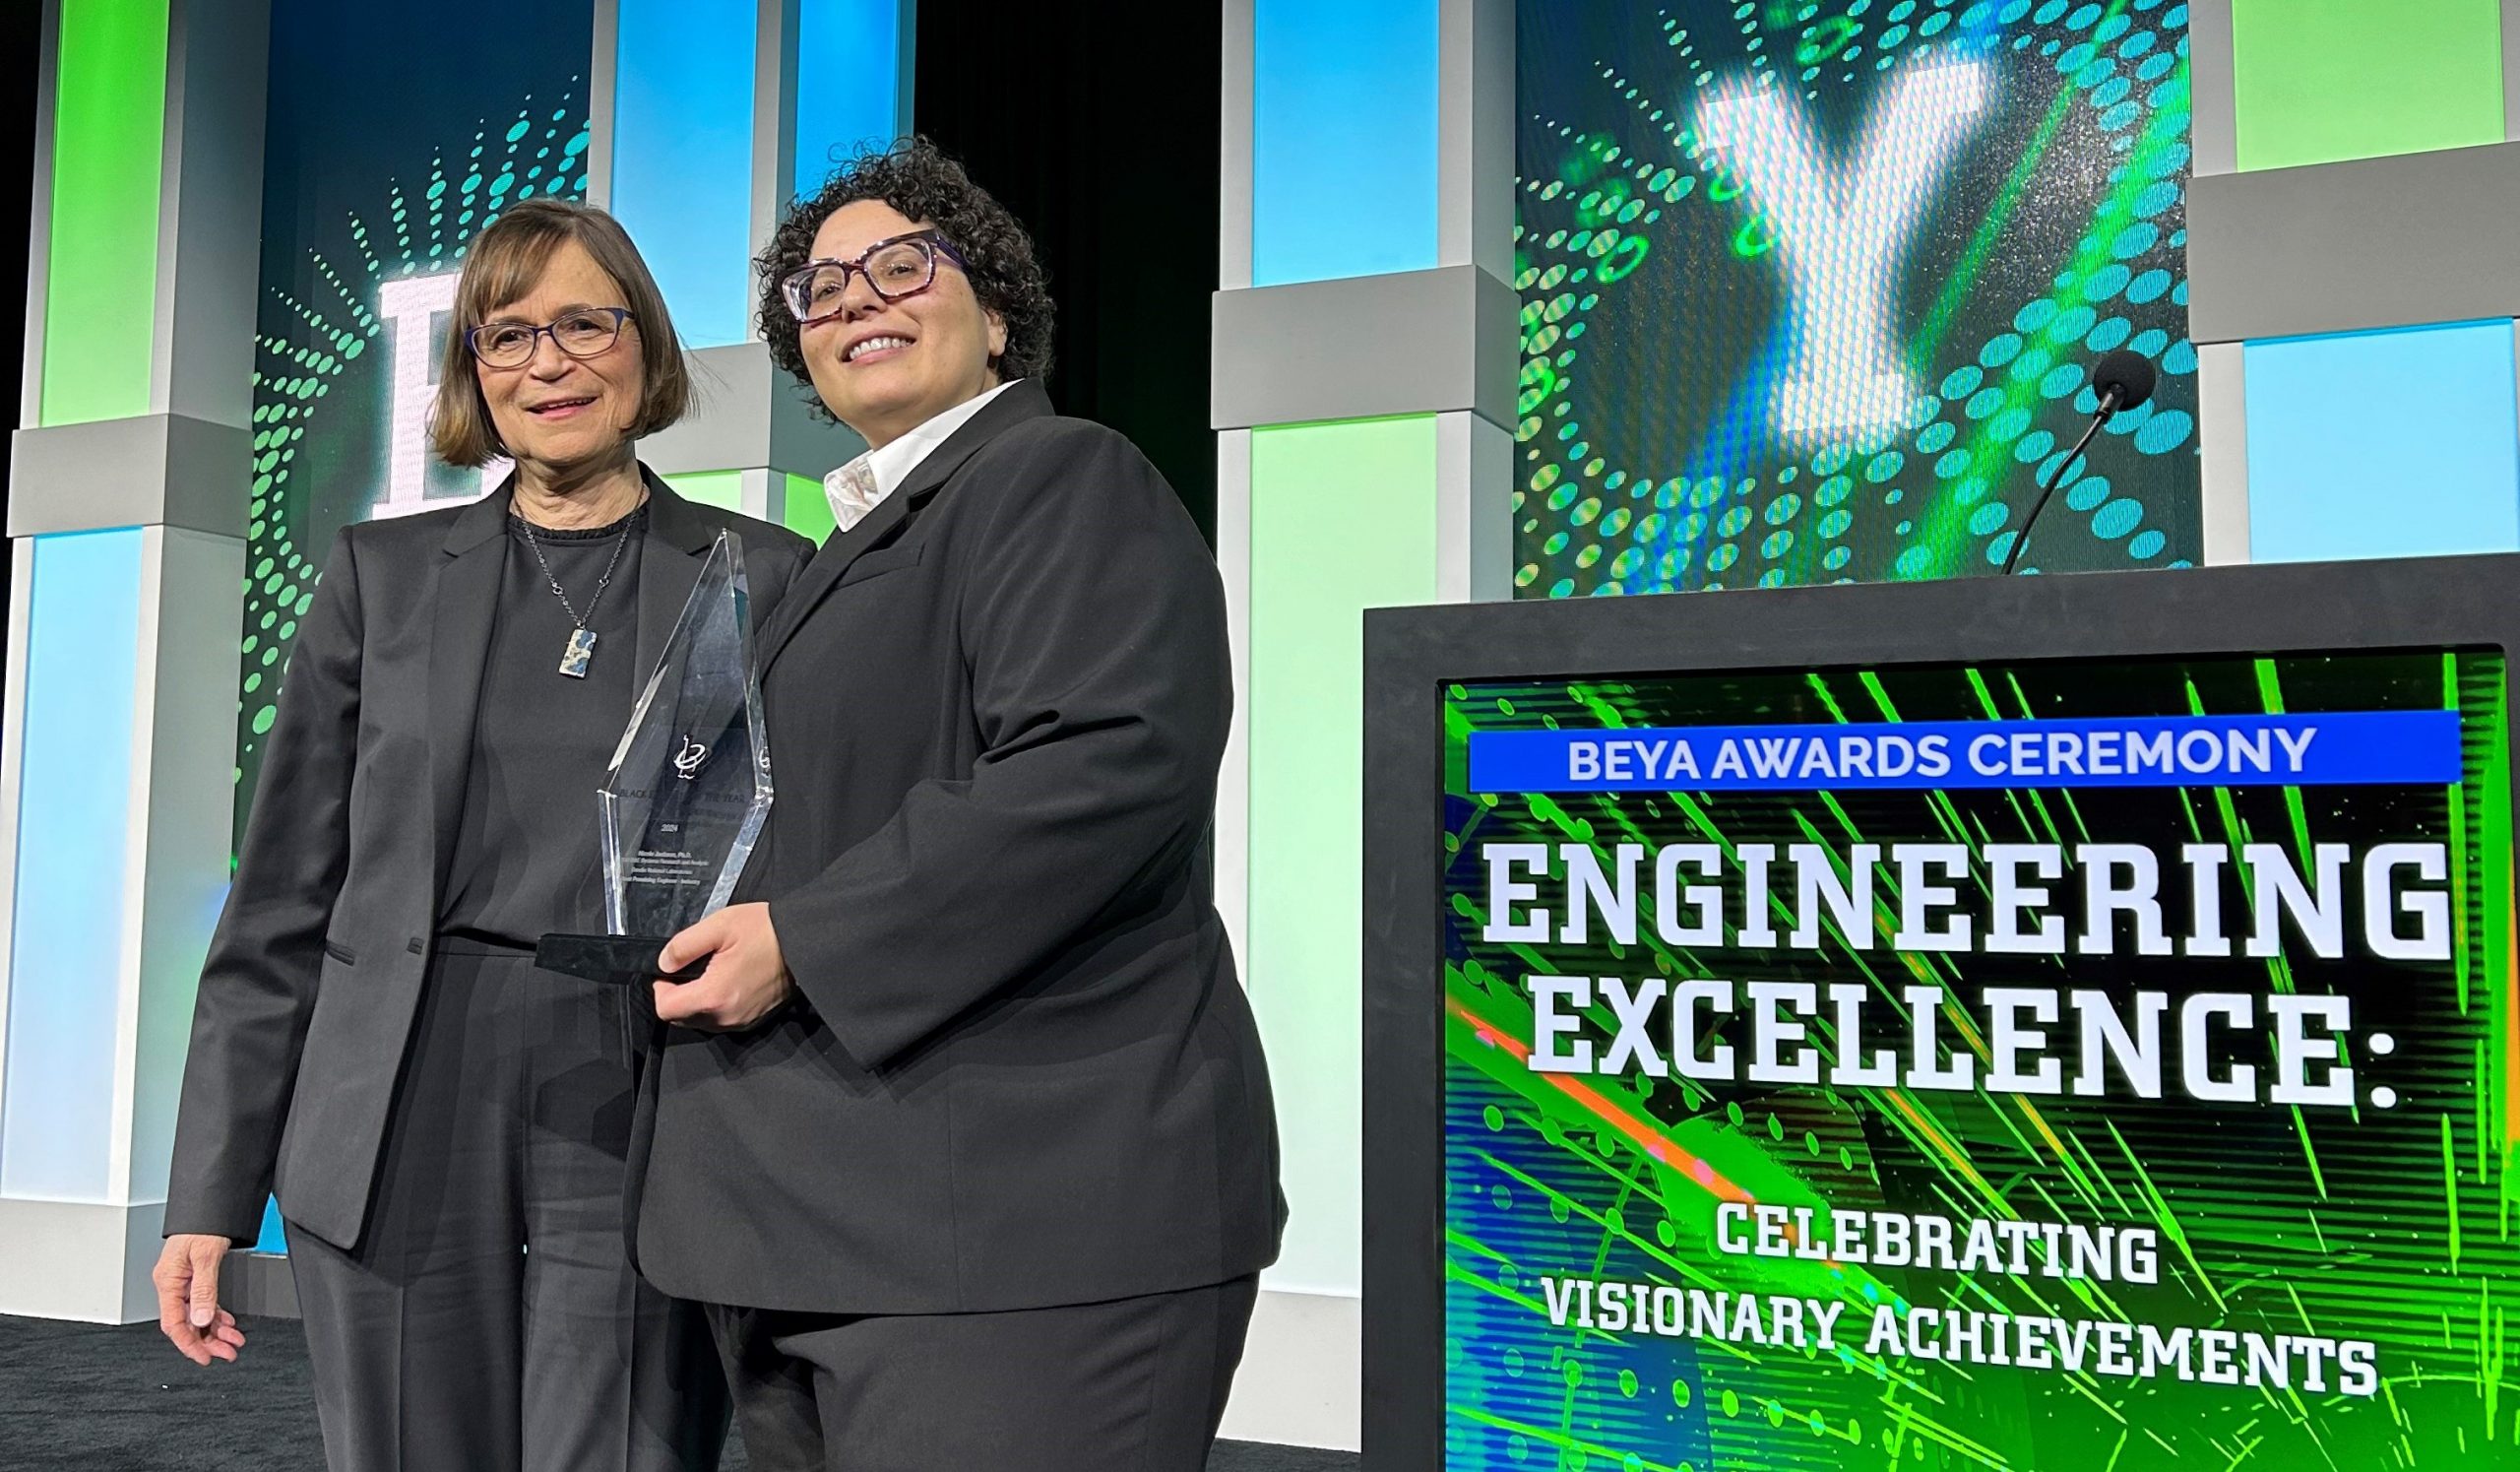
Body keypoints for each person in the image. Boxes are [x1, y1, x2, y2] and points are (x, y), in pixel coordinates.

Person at [630, 139, 1286, 1470]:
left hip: (1022, 1225)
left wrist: (802, 941)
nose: (856, 298)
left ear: (997, 312)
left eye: (899, 266)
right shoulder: (842, 553)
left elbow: (1099, 764)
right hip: (824, 1223)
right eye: (821, 290)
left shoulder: (1064, 477)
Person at [154, 197, 813, 1472]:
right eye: (504, 337)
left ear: (646, 346)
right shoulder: (378, 582)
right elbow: (281, 905)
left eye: (582, 323)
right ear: (468, 373)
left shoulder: (764, 577)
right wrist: (207, 1199)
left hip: (641, 1080)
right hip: (401, 1082)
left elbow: (807, 862)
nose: (546, 363)